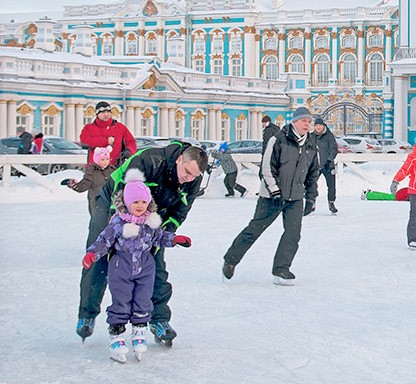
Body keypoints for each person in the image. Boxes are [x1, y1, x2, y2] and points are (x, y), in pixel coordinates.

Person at [76, 141, 207, 345]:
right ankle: (87, 313)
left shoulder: (192, 180)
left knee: (154, 262)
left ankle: (159, 320)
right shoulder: (150, 160)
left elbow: (180, 211)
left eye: (193, 176)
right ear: (180, 159)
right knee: (100, 252)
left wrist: (164, 234)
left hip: (153, 212)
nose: (188, 178)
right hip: (115, 200)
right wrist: (117, 230)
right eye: (186, 172)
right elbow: (121, 194)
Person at [81, 169, 192, 362]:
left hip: (145, 268)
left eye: (143, 202)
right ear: (126, 203)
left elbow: (160, 237)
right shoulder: (117, 223)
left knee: (143, 301)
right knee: (121, 302)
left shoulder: (150, 223)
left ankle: (139, 333)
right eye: (135, 202)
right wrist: (92, 254)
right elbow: (103, 241)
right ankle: (116, 335)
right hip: (120, 268)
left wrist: (175, 239)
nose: (140, 206)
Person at [223, 106, 320, 286]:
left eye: (309, 121)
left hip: (295, 198)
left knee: (293, 234)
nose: (307, 124)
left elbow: (313, 173)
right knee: (255, 230)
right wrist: (275, 191)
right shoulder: (279, 139)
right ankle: (231, 260)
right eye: (304, 121)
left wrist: (311, 197)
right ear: (294, 121)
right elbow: (267, 167)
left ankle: (281, 269)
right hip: (271, 197)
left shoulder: (311, 144)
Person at [80, 101, 136, 167]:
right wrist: (106, 141)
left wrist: (129, 151)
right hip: (95, 168)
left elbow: (131, 142)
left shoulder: (120, 127)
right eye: (103, 112)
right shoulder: (89, 128)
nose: (106, 114)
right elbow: (84, 142)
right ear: (97, 114)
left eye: (108, 112)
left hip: (116, 166)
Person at [65, 146, 115, 215]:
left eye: (107, 159)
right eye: (102, 160)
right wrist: (74, 185)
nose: (105, 162)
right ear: (97, 160)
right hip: (97, 204)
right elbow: (84, 185)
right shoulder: (92, 172)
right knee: (99, 223)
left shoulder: (113, 170)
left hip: (112, 204)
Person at [312, 117, 339, 214]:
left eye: (320, 125)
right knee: (311, 185)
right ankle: (311, 203)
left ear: (323, 126)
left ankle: (331, 203)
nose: (318, 127)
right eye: (316, 125)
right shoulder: (311, 136)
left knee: (331, 186)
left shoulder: (329, 136)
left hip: (328, 165)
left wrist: (330, 159)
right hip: (315, 166)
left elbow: (334, 149)